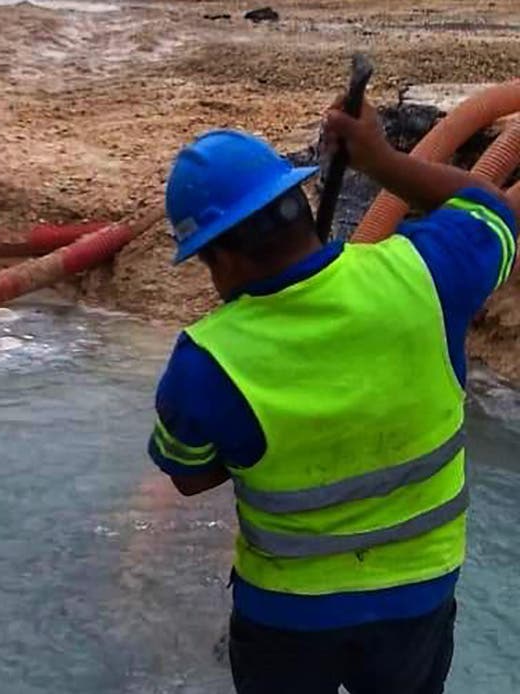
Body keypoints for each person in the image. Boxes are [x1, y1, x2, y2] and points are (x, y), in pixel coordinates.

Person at [148, 98, 519, 694]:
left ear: (222, 256)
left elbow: (189, 476)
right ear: (298, 201)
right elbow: (491, 207)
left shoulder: (205, 361)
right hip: (418, 598)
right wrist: (382, 161)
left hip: (286, 617)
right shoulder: (423, 274)